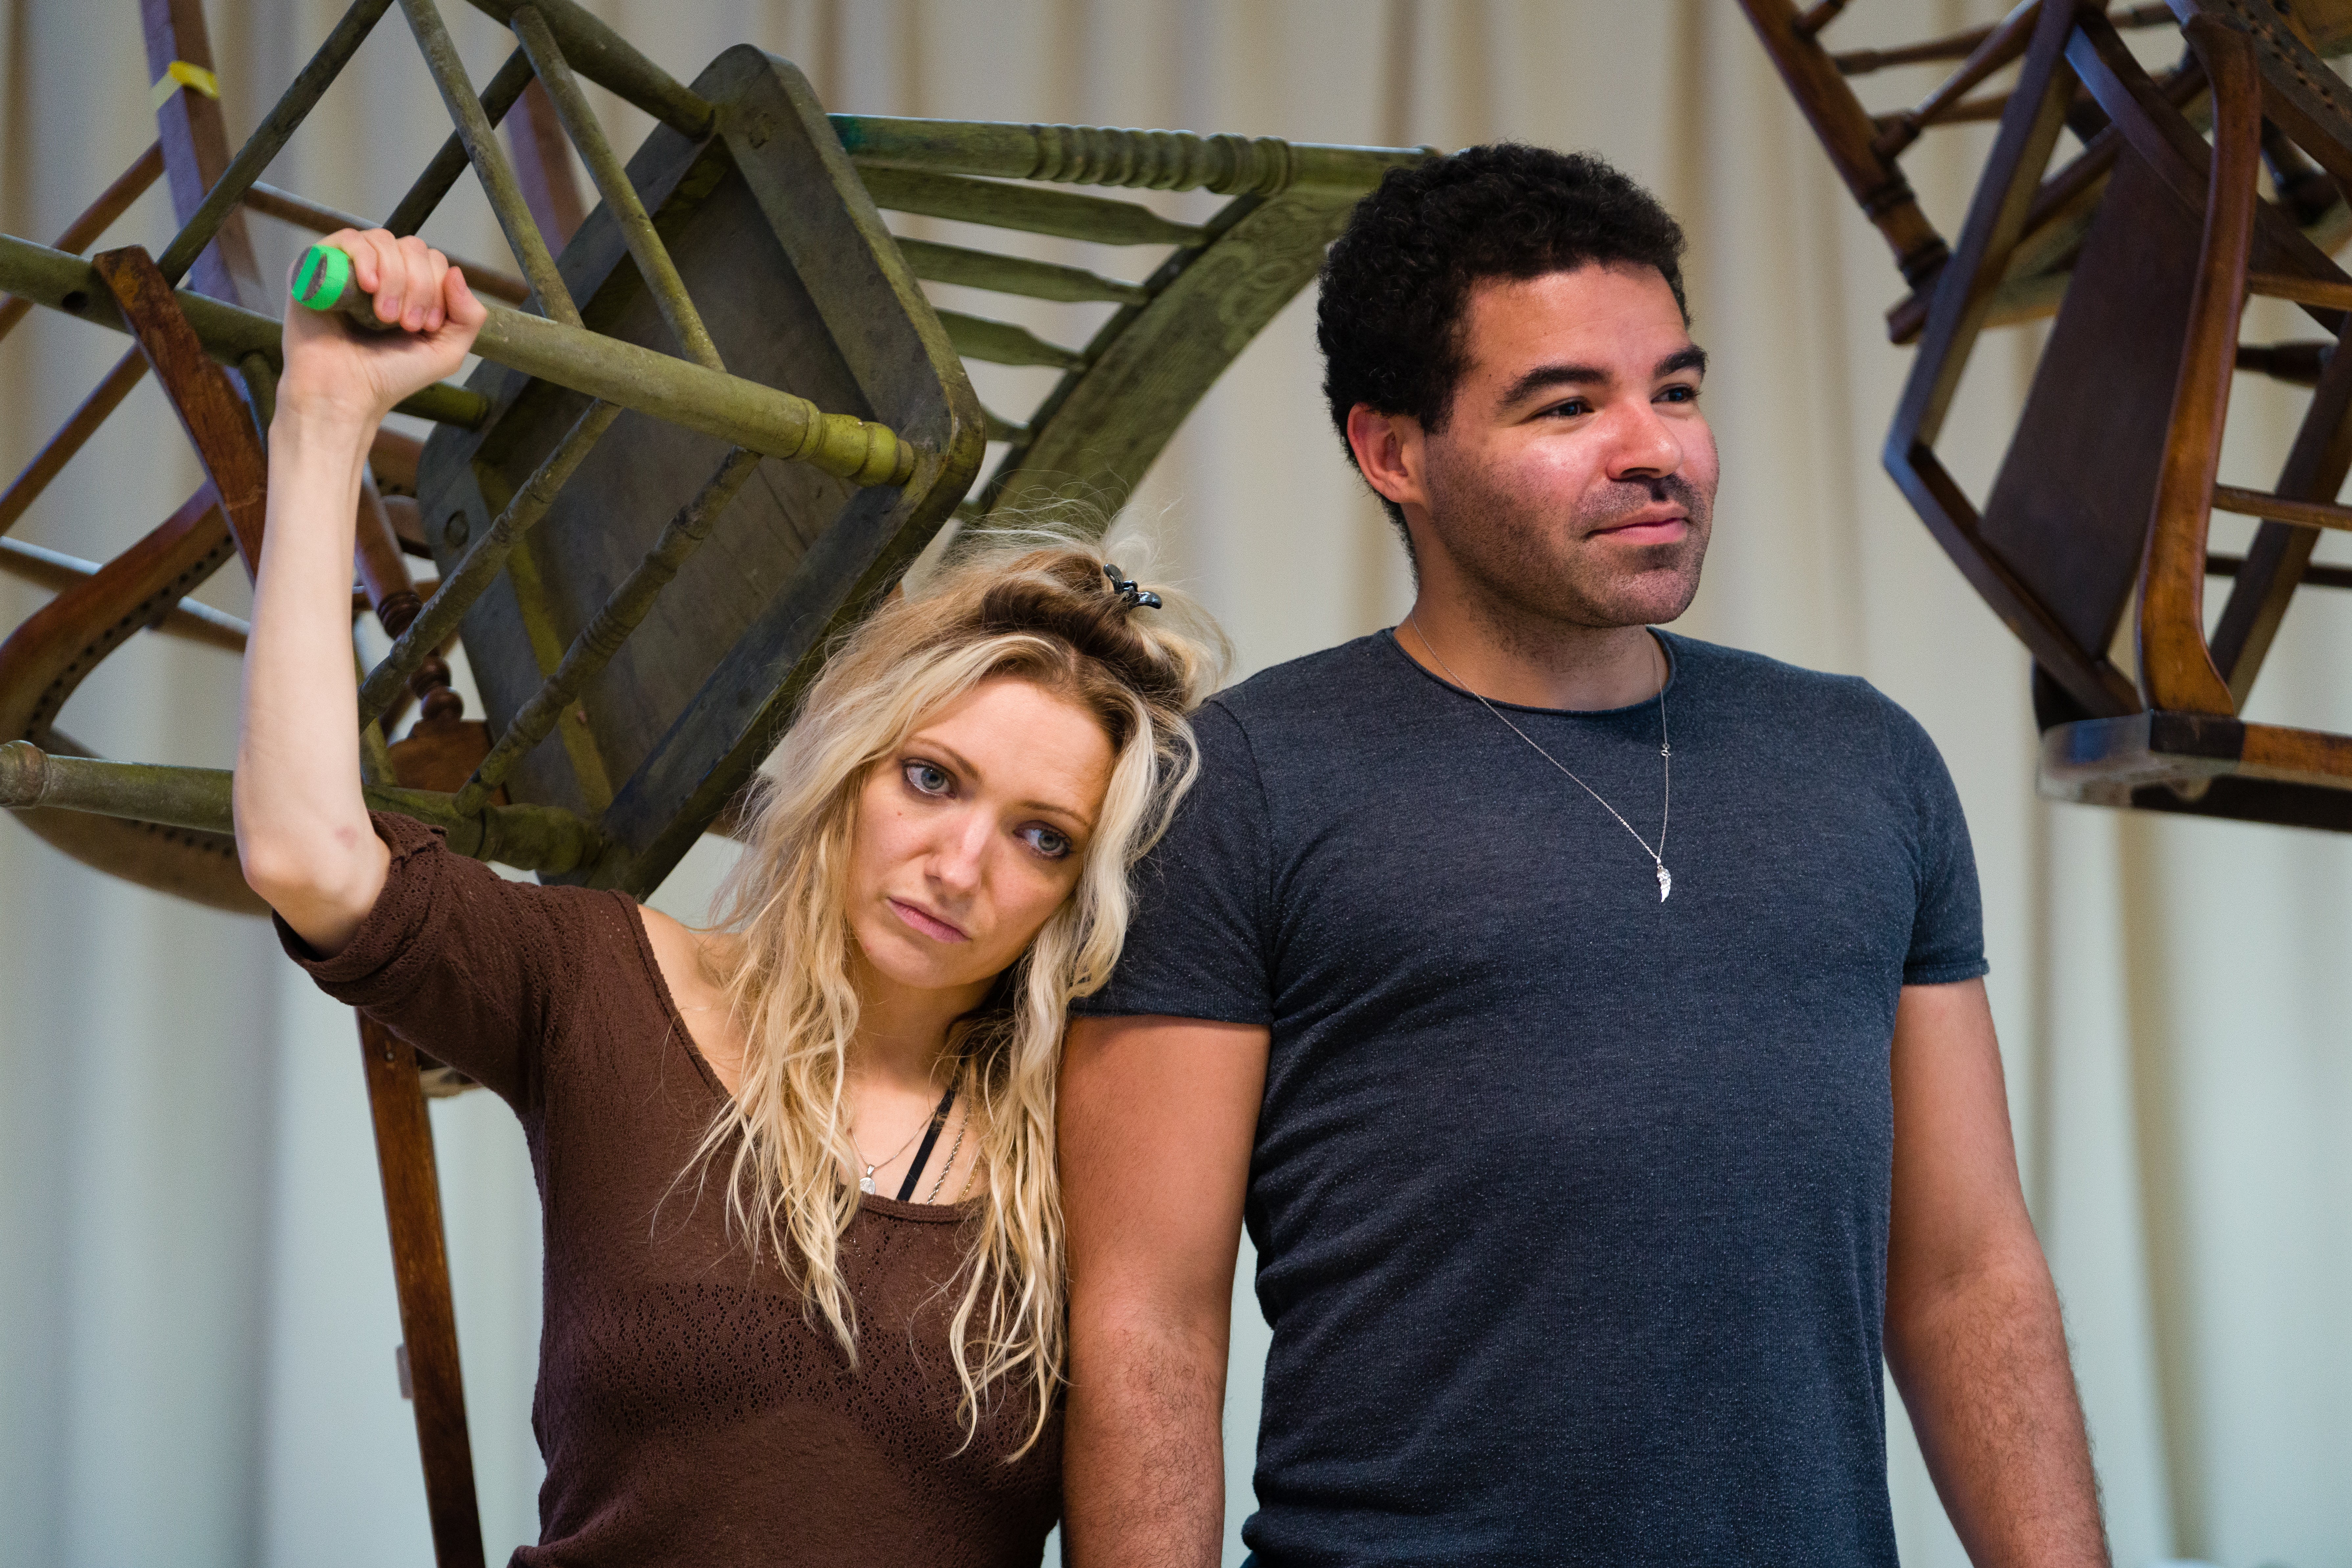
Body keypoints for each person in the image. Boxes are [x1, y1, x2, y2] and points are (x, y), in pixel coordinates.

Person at [1058, 147, 2109, 1567]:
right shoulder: (1234, 784)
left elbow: (1966, 1275)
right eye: (1565, 405)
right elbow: (1144, 1312)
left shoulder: (1863, 763)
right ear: (1391, 452)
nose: (1653, 447)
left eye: (1672, 389)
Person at [236, 229, 1224, 1567]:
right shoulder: (605, 991)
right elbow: (307, 850)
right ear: (848, 771)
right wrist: (323, 417)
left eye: (1042, 839)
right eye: (932, 779)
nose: (961, 863)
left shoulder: (1092, 1141)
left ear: (1081, 891)